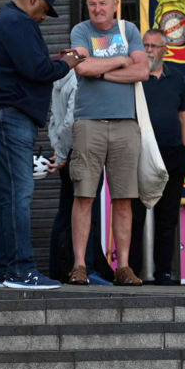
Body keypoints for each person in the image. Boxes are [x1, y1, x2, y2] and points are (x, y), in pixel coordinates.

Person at [0, 0, 82, 289]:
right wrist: (69, 62)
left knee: (5, 195)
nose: (44, 17)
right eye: (44, 10)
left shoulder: (7, 18)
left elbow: (28, 64)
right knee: (19, 193)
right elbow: (38, 71)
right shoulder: (19, 22)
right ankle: (22, 271)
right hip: (10, 114)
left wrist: (57, 59)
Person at [67, 0, 150, 286]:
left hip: (126, 124)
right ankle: (79, 265)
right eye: (92, 4)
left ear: (115, 4)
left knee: (124, 198)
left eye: (103, 3)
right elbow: (81, 67)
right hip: (88, 123)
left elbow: (142, 71)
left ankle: (123, 267)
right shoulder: (80, 30)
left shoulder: (129, 30)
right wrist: (120, 60)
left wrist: (100, 70)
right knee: (84, 195)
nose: (97, 9)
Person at [128, 28, 185, 286]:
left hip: (173, 157)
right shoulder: (134, 77)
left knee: (167, 217)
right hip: (140, 157)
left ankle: (163, 272)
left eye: (154, 46)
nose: (149, 50)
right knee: (135, 216)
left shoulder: (177, 78)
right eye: (145, 45)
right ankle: (132, 271)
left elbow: (184, 117)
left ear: (165, 50)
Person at [46, 70, 113, 285]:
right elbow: (71, 120)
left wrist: (58, 149)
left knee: (66, 214)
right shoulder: (79, 79)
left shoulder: (59, 78)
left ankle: (56, 271)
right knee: (88, 212)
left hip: (65, 151)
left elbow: (54, 120)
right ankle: (88, 269)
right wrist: (64, 153)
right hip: (82, 149)